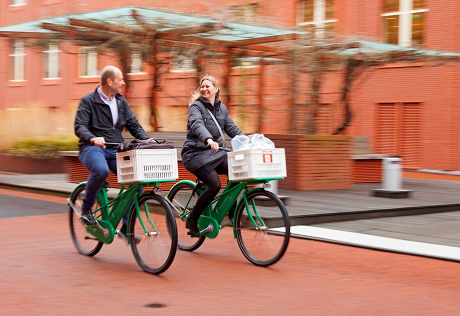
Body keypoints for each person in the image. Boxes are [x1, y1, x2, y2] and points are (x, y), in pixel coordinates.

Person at [74, 65, 149, 231]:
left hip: (115, 149)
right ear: (110, 81)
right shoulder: (88, 100)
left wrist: (148, 141)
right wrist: (92, 138)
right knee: (101, 171)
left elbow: (134, 125)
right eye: (120, 80)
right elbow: (79, 126)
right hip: (91, 148)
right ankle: (86, 208)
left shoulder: (121, 101)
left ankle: (126, 225)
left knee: (137, 182)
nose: (123, 83)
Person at [181, 75, 244, 237]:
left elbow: (233, 129)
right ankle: (192, 219)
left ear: (216, 89)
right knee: (215, 185)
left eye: (208, 86)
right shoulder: (196, 107)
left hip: (214, 153)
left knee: (236, 170)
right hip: (195, 153)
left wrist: (249, 142)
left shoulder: (222, 109)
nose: (204, 89)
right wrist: (208, 139)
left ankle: (231, 208)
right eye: (202, 87)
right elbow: (197, 124)